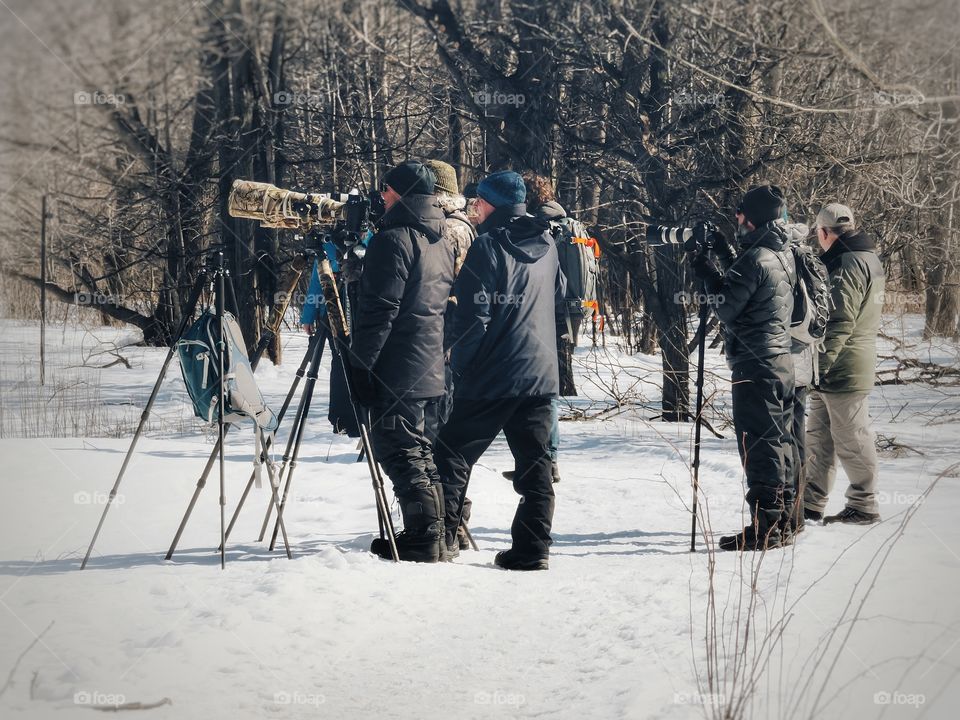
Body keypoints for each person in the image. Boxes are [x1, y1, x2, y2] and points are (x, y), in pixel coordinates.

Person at [434, 170, 564, 570]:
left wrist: (463, 367)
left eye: (478, 201)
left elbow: (474, 318)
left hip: (494, 374)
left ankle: (443, 538)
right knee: (536, 464)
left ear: (490, 204)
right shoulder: (547, 242)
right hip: (540, 373)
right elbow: (558, 295)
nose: (474, 207)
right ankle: (532, 549)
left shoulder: (488, 245)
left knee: (451, 453)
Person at [347, 160, 455, 563]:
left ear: (402, 194)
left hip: (398, 366)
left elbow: (380, 311)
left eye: (387, 190)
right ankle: (438, 533)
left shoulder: (394, 240)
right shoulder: (440, 239)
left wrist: (361, 364)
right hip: (429, 363)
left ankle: (423, 537)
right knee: (421, 450)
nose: (382, 197)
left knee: (401, 450)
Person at [691, 185, 795, 551]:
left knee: (758, 444)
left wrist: (704, 270)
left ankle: (765, 527)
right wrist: (724, 252)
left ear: (751, 218)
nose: (735, 219)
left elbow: (725, 306)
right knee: (778, 441)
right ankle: (781, 521)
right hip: (780, 361)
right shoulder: (780, 253)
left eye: (739, 214)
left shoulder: (755, 259)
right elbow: (750, 284)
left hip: (756, 364)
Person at [803, 204, 885, 525]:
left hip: (843, 367)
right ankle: (810, 504)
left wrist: (817, 367)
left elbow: (839, 322)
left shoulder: (848, 263)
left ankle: (863, 505)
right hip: (838, 366)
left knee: (852, 439)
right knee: (819, 439)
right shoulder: (867, 257)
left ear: (824, 233)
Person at [424, 159, 477, 551]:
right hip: (446, 341)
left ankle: (448, 520)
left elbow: (444, 289)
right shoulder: (457, 225)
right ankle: (447, 516)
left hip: (444, 342)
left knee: (438, 434)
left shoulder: (451, 230)